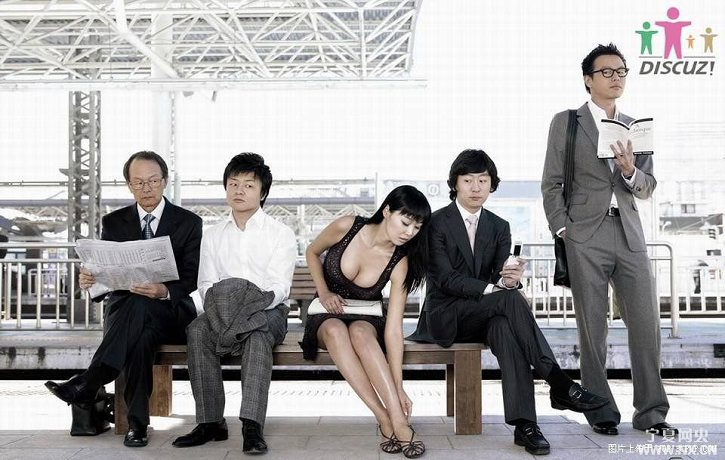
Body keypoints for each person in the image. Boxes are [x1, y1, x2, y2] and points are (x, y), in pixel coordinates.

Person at [409, 149, 608, 456]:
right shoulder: (435, 223)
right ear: (455, 183)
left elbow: (500, 279)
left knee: (505, 327)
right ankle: (558, 382)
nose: (476, 187)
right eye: (468, 180)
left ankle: (525, 425)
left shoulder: (499, 226)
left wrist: (510, 280)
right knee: (509, 302)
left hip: (487, 315)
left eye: (483, 180)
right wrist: (499, 289)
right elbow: (446, 279)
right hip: (446, 316)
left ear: (492, 184)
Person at [541, 43, 676, 438]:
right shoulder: (567, 122)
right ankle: (600, 409)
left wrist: (631, 170)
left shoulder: (636, 127)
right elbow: (551, 182)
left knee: (646, 324)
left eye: (621, 71)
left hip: (629, 232)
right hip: (585, 234)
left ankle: (652, 413)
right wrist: (563, 229)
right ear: (589, 79)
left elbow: (647, 187)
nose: (616, 78)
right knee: (592, 328)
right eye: (607, 72)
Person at [45, 150, 202, 447]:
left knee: (141, 306)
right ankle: (137, 425)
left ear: (165, 181)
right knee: (140, 335)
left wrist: (164, 290)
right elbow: (106, 272)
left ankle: (90, 382)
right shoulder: (114, 222)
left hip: (171, 313)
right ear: (129, 185)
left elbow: (193, 276)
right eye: (138, 182)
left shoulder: (189, 222)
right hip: (132, 316)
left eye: (153, 181)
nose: (146, 188)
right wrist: (91, 280)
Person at [172, 153, 297, 455]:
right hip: (220, 310)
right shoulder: (212, 235)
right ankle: (210, 422)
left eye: (248, 185)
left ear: (262, 193)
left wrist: (245, 311)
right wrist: (222, 312)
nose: (239, 190)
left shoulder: (280, 234)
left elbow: (279, 288)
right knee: (197, 330)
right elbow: (206, 283)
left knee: (257, 334)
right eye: (233, 183)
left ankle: (251, 425)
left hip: (267, 311)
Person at [300, 185, 430, 458]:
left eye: (416, 228)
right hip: (326, 313)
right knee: (335, 329)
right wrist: (324, 292)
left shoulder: (400, 262)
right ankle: (383, 417)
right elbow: (312, 252)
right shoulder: (347, 226)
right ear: (387, 211)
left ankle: (398, 420)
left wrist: (399, 386)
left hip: (367, 318)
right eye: (405, 222)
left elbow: (394, 330)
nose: (409, 232)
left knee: (359, 332)